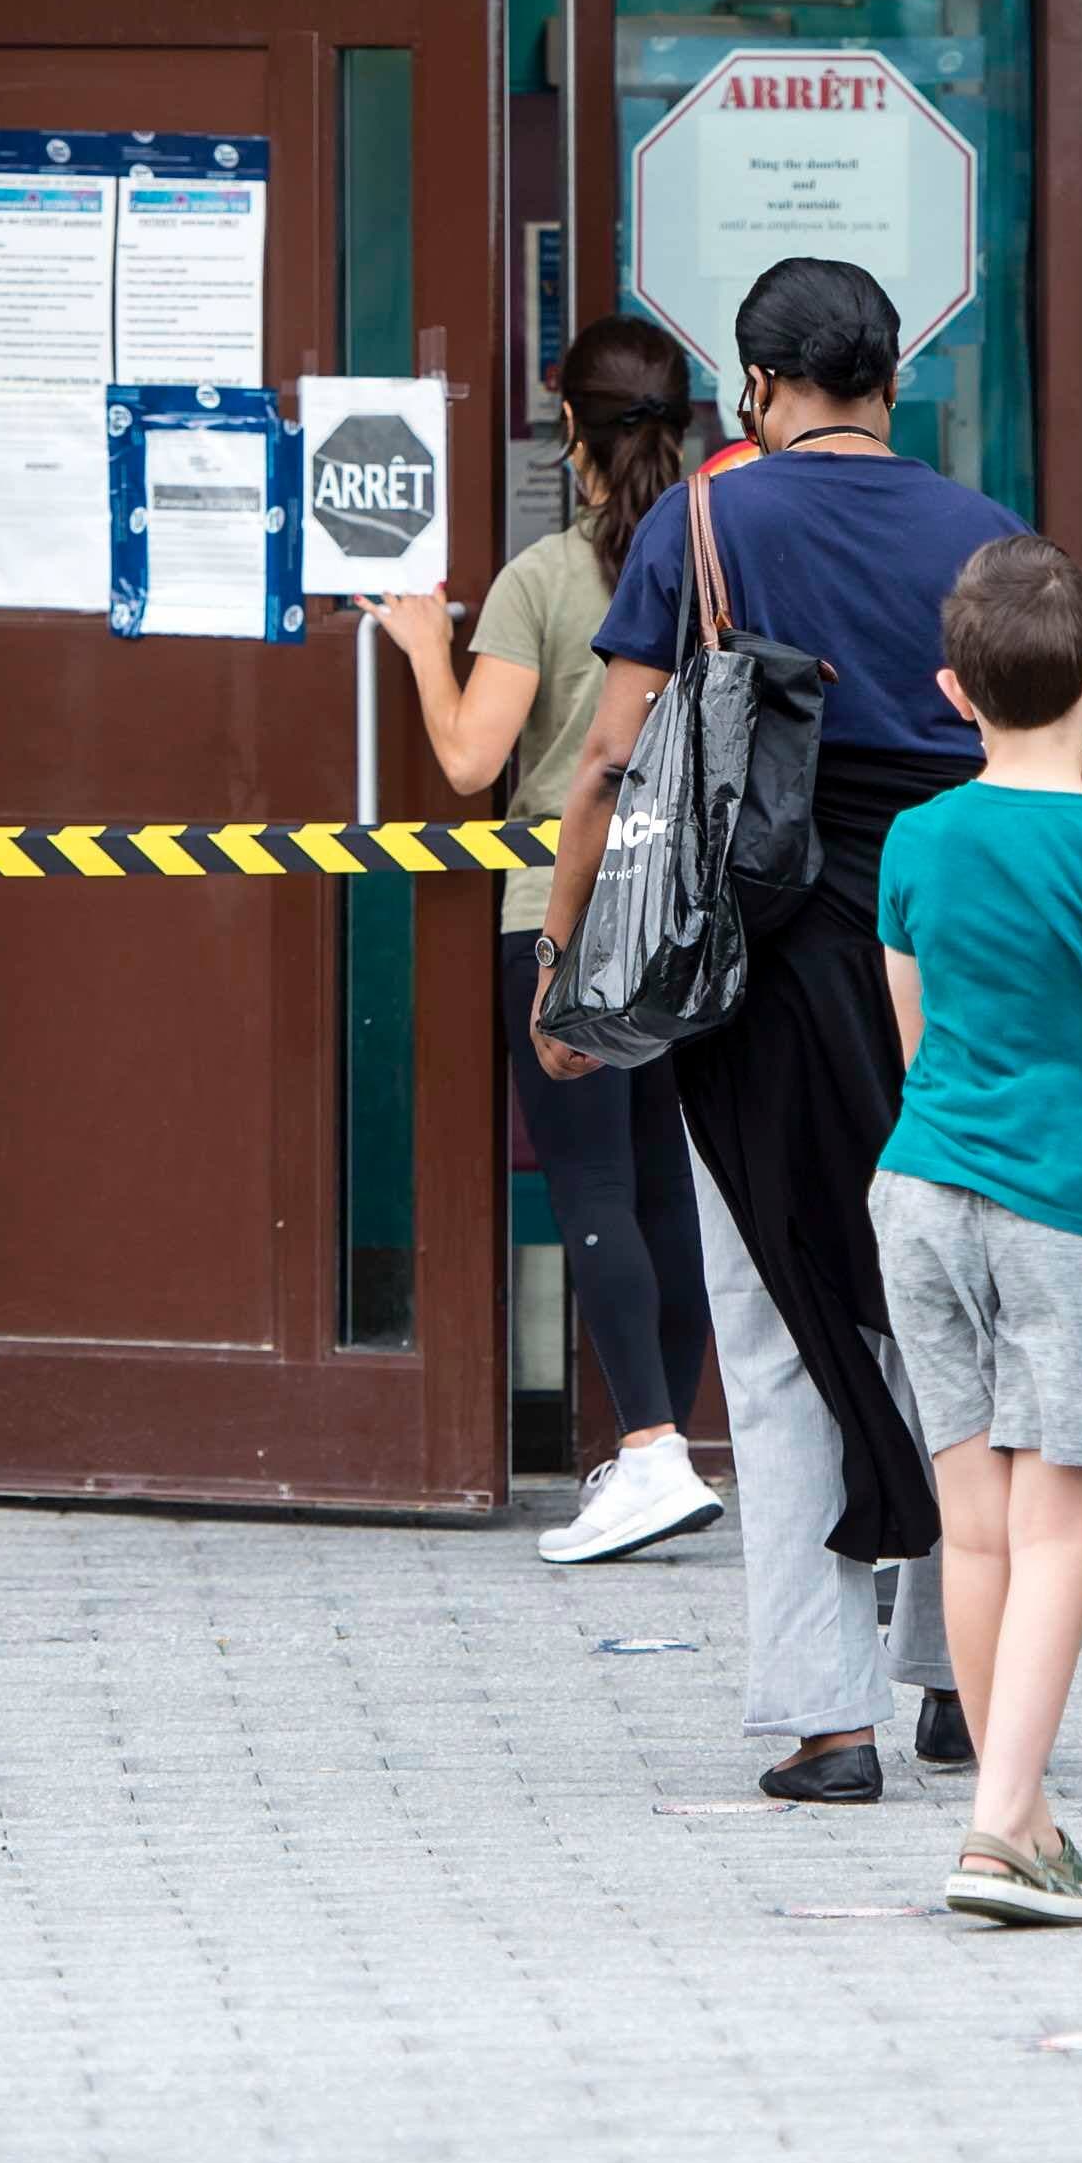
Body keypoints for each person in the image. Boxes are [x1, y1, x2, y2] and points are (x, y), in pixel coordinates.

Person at [529, 258, 1017, 1801]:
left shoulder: (706, 521)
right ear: (892, 378)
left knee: (779, 1322)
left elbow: (608, 760)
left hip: (771, 984)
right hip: (956, 969)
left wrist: (567, 961)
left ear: (755, 385)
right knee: (947, 1310)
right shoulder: (985, 535)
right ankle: (961, 1672)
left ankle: (827, 1716)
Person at [869, 535, 1082, 1927]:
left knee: (972, 1531)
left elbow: (913, 1032)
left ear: (954, 690)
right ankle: (995, 1826)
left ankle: (1025, 1815)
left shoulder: (913, 839)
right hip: (1070, 1206)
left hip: (922, 1190)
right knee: (1061, 1526)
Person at [370, 319, 719, 1562]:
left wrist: (425, 650)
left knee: (592, 1188)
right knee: (665, 1188)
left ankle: (650, 1451)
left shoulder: (546, 578)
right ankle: (660, 1442)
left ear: (570, 430)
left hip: (560, 914)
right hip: (684, 917)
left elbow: (472, 759)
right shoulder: (713, 572)